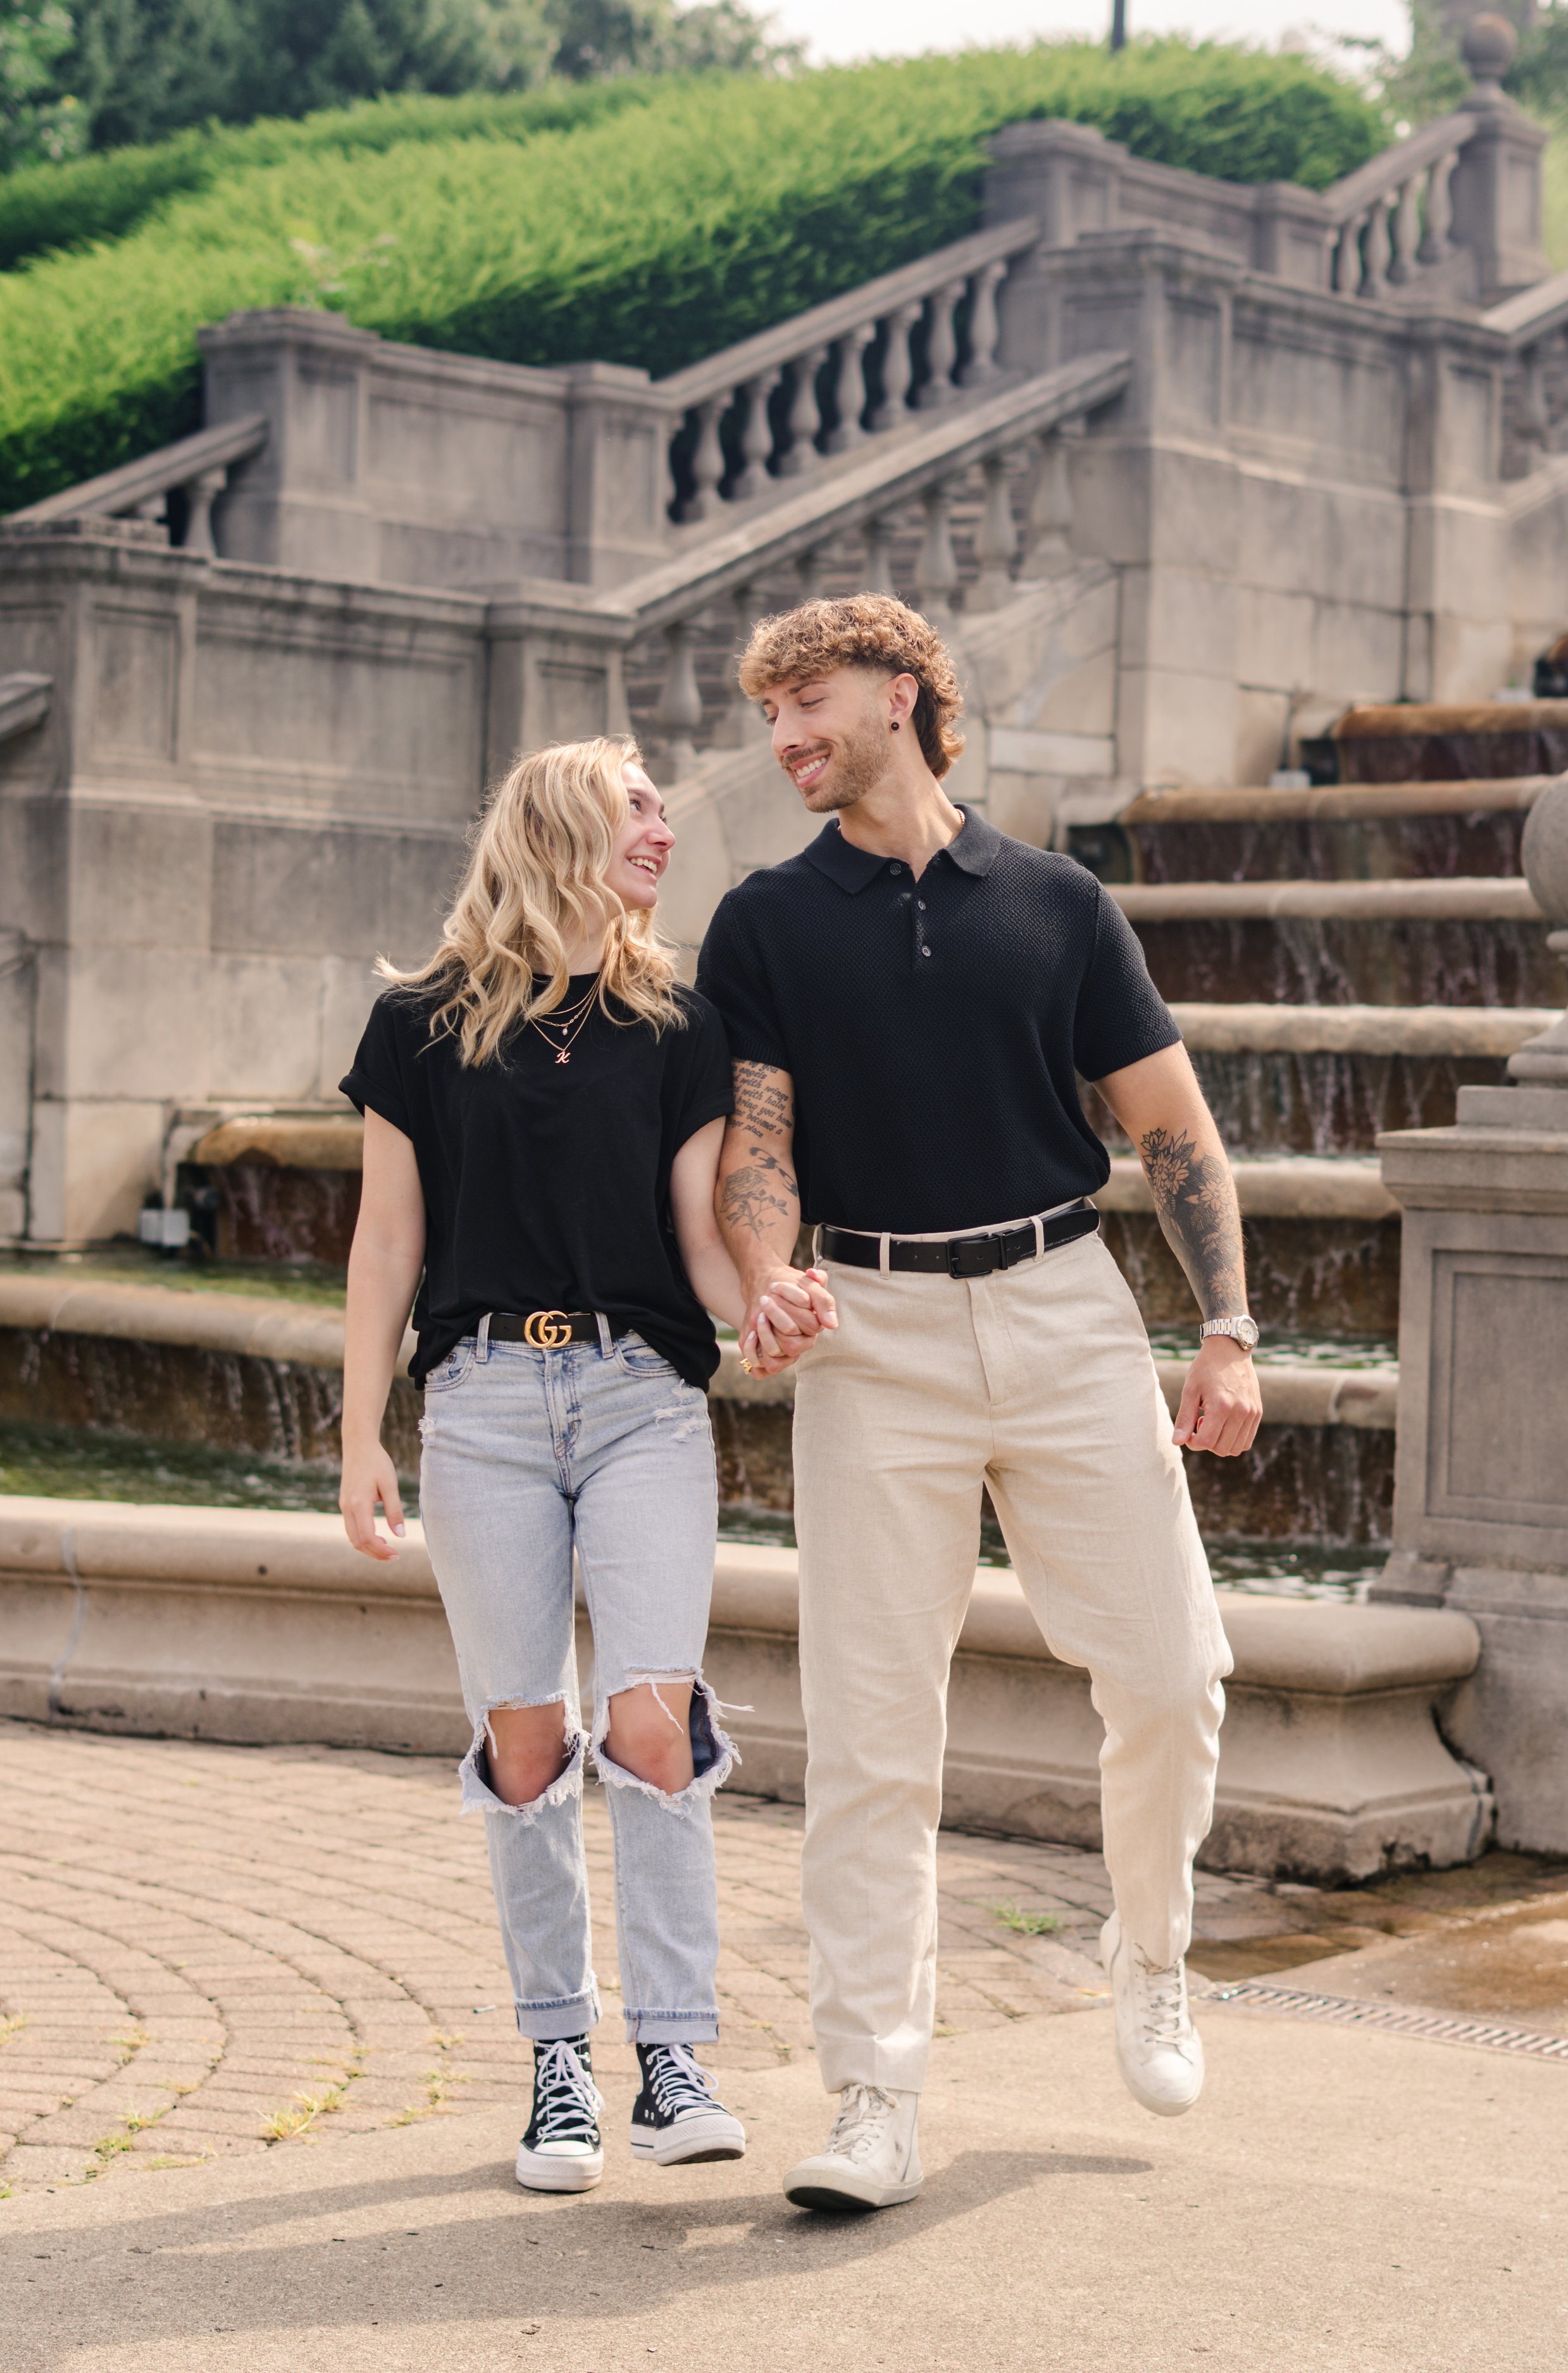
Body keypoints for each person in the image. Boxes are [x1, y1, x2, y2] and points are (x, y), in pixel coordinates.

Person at [697, 594, 1263, 2215]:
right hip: (868, 1328)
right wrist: (764, 1275)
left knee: (1166, 1675)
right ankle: (873, 2095)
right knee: (874, 1730)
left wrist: (1223, 1327)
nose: (788, 740)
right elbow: (755, 1147)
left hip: (1064, 1305)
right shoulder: (765, 922)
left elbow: (1172, 1129)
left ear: (900, 689)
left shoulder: (1057, 903)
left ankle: (1147, 1953)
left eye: (808, 703)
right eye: (770, 719)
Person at [337, 735, 823, 2195]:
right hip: (478, 1403)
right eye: (638, 810)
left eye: (666, 813)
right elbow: (385, 1246)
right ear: (558, 822)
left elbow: (697, 1234)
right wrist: (361, 1433)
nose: (664, 835)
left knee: (655, 1719)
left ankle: (673, 2060)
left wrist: (764, 1301)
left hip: (639, 1398)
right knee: (527, 1741)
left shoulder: (675, 1021)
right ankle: (559, 2064)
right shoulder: (415, 1024)